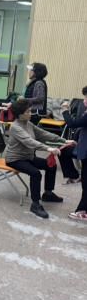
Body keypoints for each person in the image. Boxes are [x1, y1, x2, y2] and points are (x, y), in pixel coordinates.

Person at [5, 99, 76, 219]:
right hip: (15, 159)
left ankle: (48, 193)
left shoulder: (28, 124)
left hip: (28, 157)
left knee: (51, 165)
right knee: (35, 173)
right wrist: (48, 148)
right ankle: (35, 204)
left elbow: (43, 134)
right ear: (20, 114)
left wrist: (64, 140)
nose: (31, 113)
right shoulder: (15, 127)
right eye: (28, 111)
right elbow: (29, 141)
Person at [61, 87, 87, 220]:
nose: (84, 101)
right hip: (83, 147)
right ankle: (74, 175)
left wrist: (65, 110)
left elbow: (72, 124)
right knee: (64, 150)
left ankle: (83, 211)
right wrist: (76, 142)